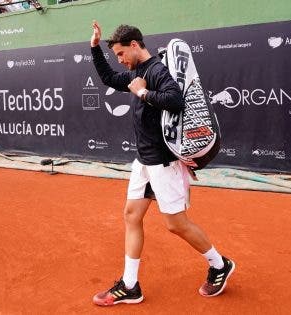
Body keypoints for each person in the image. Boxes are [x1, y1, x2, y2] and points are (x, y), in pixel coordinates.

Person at [89, 21, 235, 306]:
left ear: (134, 45)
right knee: (132, 215)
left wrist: (143, 93)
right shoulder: (137, 71)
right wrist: (95, 47)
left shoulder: (155, 70)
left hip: (163, 161)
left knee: (176, 224)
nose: (119, 60)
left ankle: (219, 265)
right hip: (143, 159)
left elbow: (176, 100)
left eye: (121, 54)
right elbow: (108, 77)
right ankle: (130, 285)